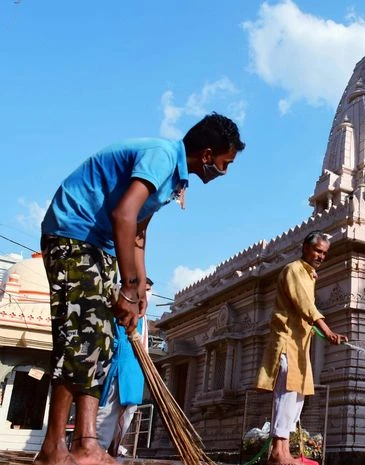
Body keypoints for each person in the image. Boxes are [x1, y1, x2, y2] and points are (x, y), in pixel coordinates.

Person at [36, 112, 245, 465]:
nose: (224, 172)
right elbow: (123, 215)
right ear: (208, 155)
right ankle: (52, 449)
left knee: (100, 343)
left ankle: (86, 443)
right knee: (80, 339)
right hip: (73, 233)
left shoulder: (175, 179)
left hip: (98, 244)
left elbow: (138, 233)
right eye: (225, 163)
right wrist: (128, 287)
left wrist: (139, 290)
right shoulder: (162, 156)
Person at [255, 231, 347, 465]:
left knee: (296, 398)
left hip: (300, 344)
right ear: (305, 247)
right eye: (318, 251)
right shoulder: (293, 270)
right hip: (287, 341)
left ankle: (284, 452)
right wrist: (327, 331)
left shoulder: (308, 274)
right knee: (285, 395)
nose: (321, 256)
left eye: (324, 253)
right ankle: (277, 453)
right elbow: (305, 305)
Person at [96, 277, 153, 457]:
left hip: (135, 370)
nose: (147, 293)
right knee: (107, 412)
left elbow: (144, 346)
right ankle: (97, 448)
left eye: (149, 290)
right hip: (118, 367)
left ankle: (114, 447)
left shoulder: (144, 319)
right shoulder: (120, 310)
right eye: (145, 289)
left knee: (128, 411)